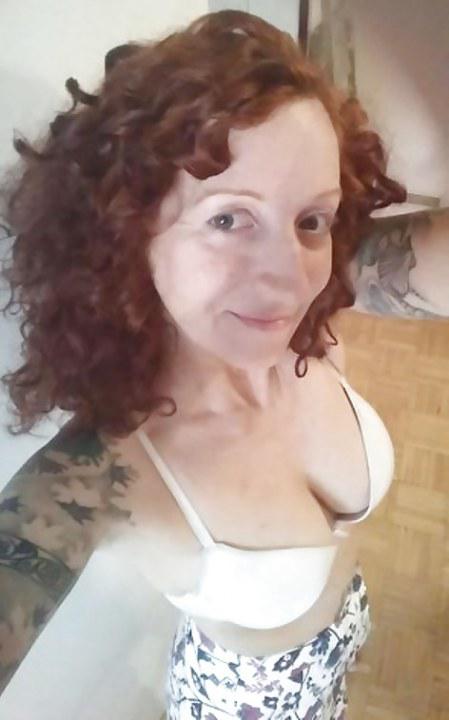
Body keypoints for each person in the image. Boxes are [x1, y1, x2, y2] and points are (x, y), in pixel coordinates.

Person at [0, 10, 447, 719]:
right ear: (128, 229)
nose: (289, 280)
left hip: (341, 638)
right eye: (228, 218)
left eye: (310, 219)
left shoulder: (314, 294)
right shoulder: (98, 476)